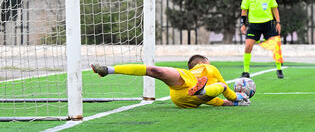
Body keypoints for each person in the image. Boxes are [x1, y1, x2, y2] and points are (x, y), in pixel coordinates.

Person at [91, 54, 250, 108]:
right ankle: (238, 100)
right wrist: (234, 99)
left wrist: (222, 103)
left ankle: (110, 70)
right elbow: (223, 88)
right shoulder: (209, 68)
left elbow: (213, 99)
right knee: (221, 85)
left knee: (155, 70)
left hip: (180, 98)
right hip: (194, 92)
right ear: (204, 61)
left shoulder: (190, 71)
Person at [240, 0, 284, 79]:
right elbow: (244, 10)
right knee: (248, 46)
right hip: (254, 25)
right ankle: (246, 71)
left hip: (268, 24)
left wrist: (278, 22)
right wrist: (243, 24)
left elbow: (275, 9)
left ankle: (279, 69)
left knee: (276, 46)